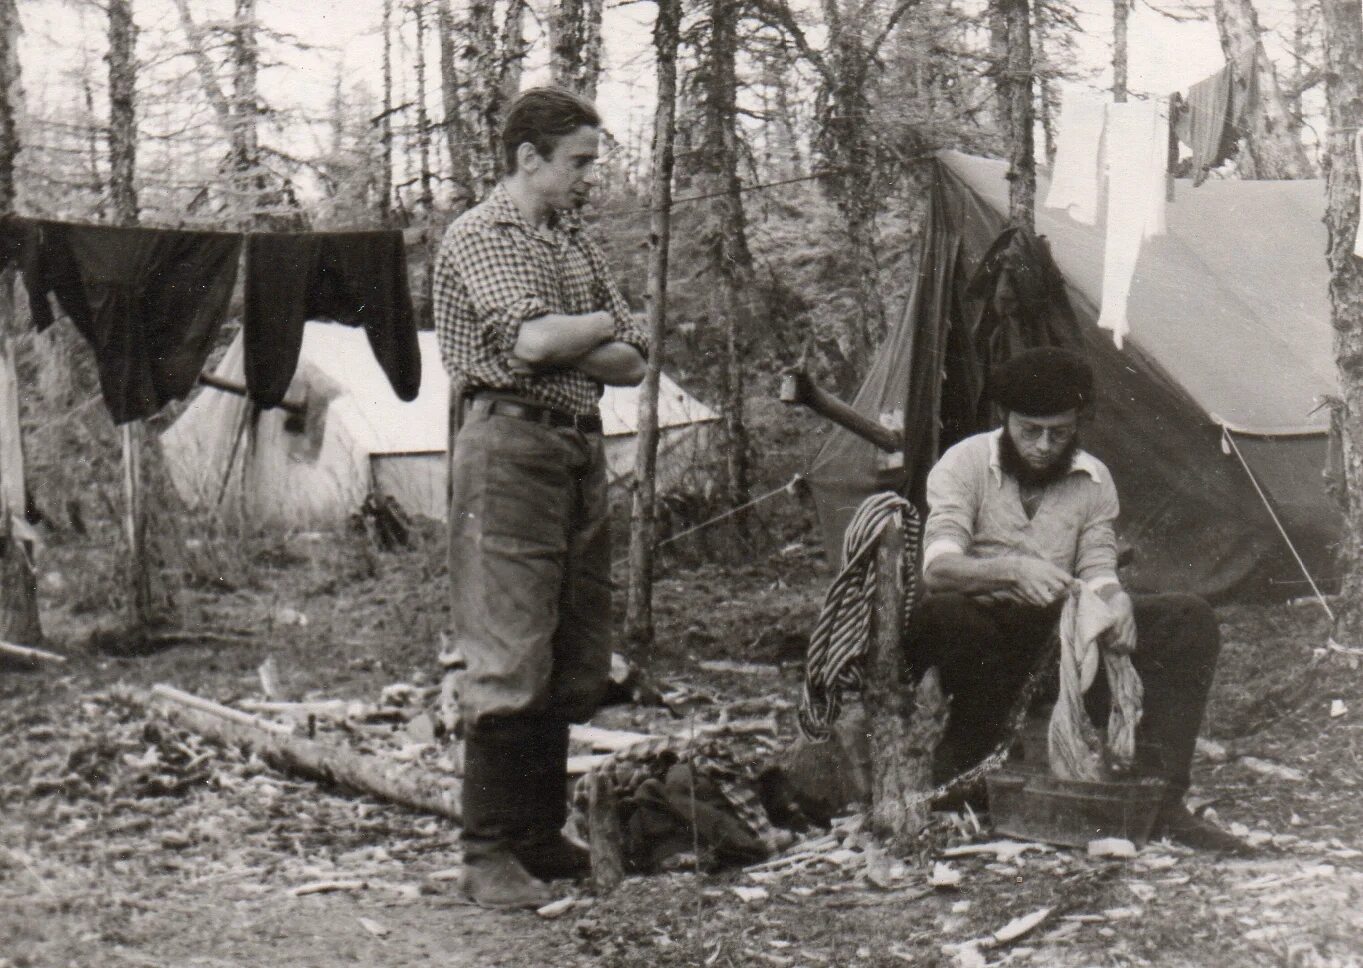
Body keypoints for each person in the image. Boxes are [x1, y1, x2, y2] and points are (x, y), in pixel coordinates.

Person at [432, 87, 649, 909]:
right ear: (529, 158)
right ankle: (486, 852)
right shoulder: (482, 234)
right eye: (579, 163)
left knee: (569, 649)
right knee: (509, 645)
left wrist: (577, 330)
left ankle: (535, 833)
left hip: (577, 443)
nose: (588, 178)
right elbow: (528, 340)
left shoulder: (571, 238)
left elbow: (632, 360)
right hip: (508, 446)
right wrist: (597, 324)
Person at [911, 346, 1248, 853]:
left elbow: (1097, 569)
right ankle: (971, 768)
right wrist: (1009, 570)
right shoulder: (964, 465)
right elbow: (938, 568)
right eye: (1030, 430)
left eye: (1060, 432)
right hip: (976, 627)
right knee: (951, 615)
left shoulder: (1092, 479)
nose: (1044, 446)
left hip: (1057, 637)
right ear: (1005, 420)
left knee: (1187, 617)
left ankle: (1161, 799)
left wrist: (1117, 601)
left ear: (1077, 425)